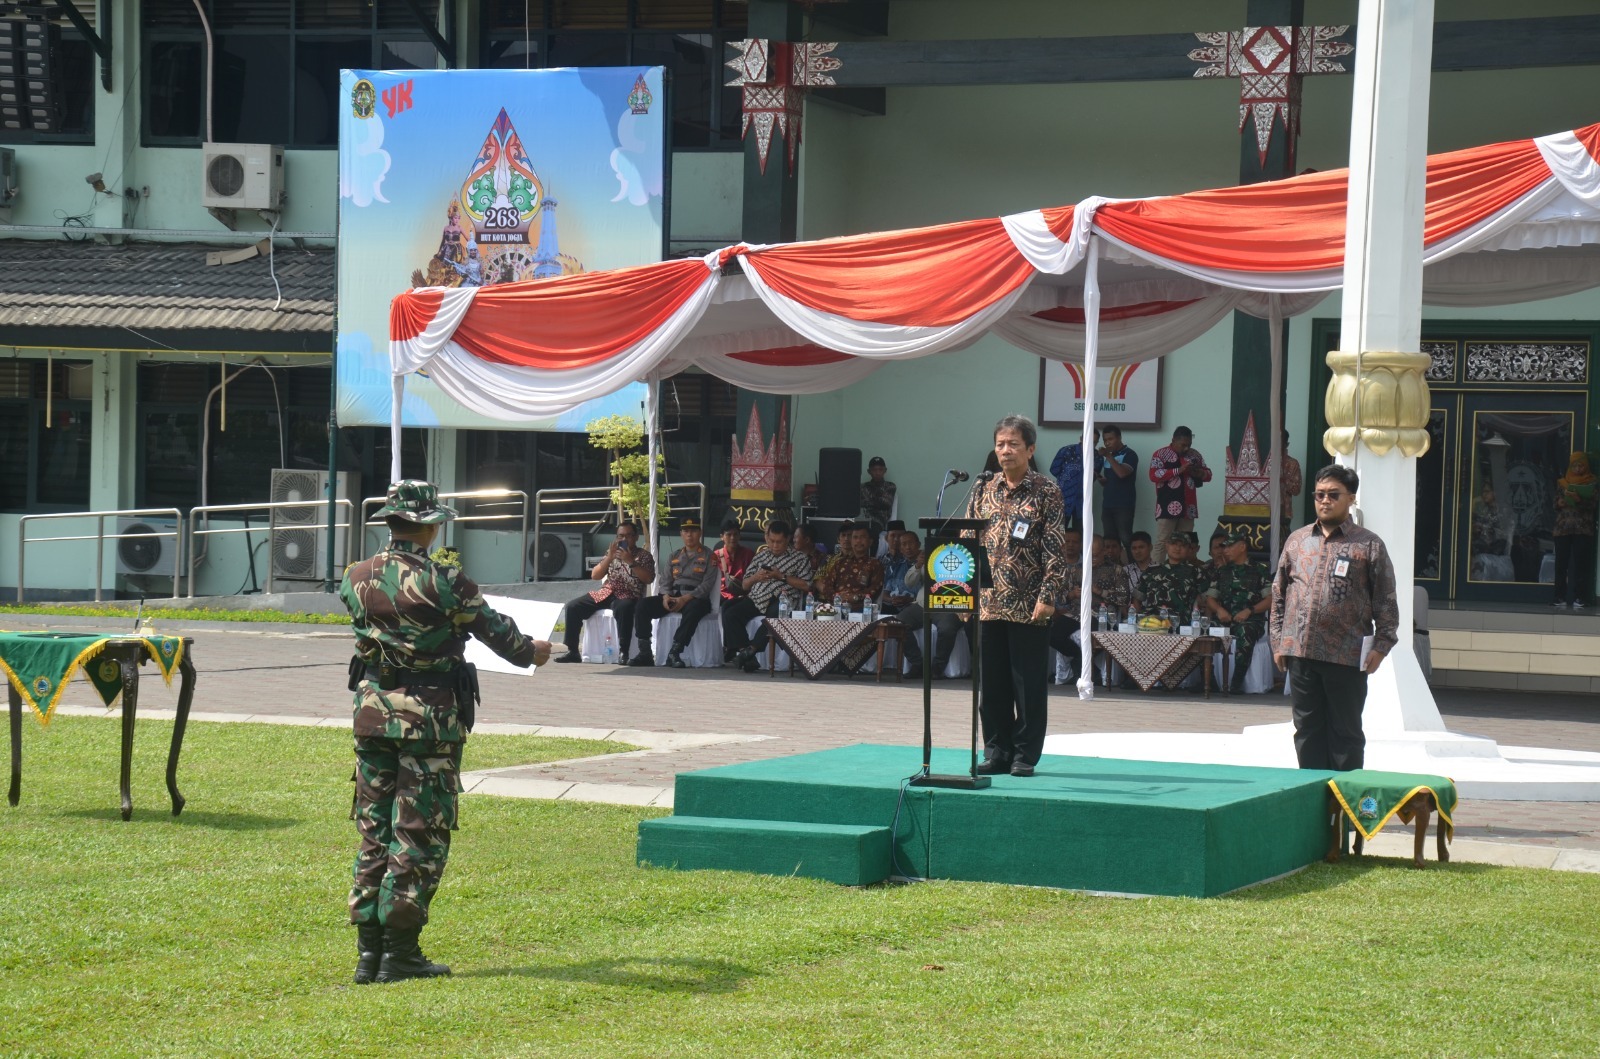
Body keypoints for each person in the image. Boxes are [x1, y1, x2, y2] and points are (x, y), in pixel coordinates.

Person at [340, 479, 552, 984]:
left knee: (374, 829)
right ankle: (401, 952)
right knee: (418, 832)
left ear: (390, 523)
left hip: (372, 714)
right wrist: (535, 651)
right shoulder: (445, 582)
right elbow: (503, 638)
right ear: (433, 526)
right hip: (429, 721)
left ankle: (369, 954)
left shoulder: (356, 576)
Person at [1270, 464, 1400, 772]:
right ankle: (1312, 799)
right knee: (1307, 731)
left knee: (1346, 734)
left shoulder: (1368, 544)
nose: (1324, 501)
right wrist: (1278, 641)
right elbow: (1279, 595)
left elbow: (1385, 599)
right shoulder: (1298, 541)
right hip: (1300, 652)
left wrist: (1382, 646)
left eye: (1333, 495)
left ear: (1351, 498)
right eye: (1319, 495)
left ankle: (1345, 806)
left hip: (1346, 654)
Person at [965, 414, 1068, 778]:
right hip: (988, 603)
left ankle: (1024, 754)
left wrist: (1049, 595)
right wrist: (962, 591)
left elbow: (1055, 549)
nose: (1005, 451)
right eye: (1000, 444)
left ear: (1030, 448)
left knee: (1026, 683)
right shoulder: (982, 488)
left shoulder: (1047, 490)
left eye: (1012, 444)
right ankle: (996, 750)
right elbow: (968, 542)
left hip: (1029, 603)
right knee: (991, 685)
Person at [722, 520, 815, 673]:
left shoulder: (800, 558)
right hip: (757, 598)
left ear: (787, 539)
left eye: (779, 542)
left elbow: (807, 585)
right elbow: (744, 585)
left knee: (775, 613)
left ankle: (751, 649)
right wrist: (755, 578)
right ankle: (747, 654)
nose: (775, 545)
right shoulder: (761, 556)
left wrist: (782, 576)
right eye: (771, 541)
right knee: (731, 613)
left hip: (783, 600)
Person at [555, 521, 654, 664]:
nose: (624, 540)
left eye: (628, 536)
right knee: (572, 606)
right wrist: (609, 558)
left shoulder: (644, 556)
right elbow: (595, 575)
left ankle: (623, 652)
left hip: (629, 594)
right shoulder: (612, 553)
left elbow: (648, 578)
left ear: (636, 537)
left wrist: (631, 561)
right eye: (620, 536)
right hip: (607, 592)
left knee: (624, 608)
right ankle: (573, 651)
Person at [630, 516, 716, 668]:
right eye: (686, 531)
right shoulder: (674, 556)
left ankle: (675, 652)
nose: (690, 535)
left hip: (695, 598)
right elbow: (665, 581)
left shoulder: (710, 556)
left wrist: (685, 599)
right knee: (643, 605)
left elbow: (707, 585)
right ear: (681, 534)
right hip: (672, 596)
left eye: (694, 531)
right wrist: (665, 597)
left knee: (695, 609)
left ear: (700, 533)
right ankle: (645, 653)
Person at [1205, 530, 1271, 693]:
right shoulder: (1222, 571)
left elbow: (1270, 600)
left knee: (1245, 633)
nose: (1225, 551)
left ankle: (1235, 682)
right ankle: (1209, 680)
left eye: (1229, 547)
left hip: (1251, 620)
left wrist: (1250, 611)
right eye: (1224, 547)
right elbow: (1210, 598)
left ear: (1242, 547)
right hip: (1225, 619)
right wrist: (1219, 610)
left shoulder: (1259, 570)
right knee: (1203, 634)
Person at [1149, 426, 1212, 564]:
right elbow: (1154, 475)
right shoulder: (1160, 454)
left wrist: (1199, 473)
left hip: (1188, 508)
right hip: (1166, 506)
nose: (1186, 449)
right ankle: (1153, 576)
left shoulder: (1194, 455)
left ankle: (1182, 576)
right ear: (1173, 440)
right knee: (1162, 542)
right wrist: (1178, 470)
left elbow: (1208, 474)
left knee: (1184, 544)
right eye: (1183, 445)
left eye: (1188, 445)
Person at [1552, 452, 1598, 609]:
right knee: (1560, 564)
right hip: (1562, 528)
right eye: (1575, 465)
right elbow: (1554, 504)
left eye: (1581, 465)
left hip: (1582, 529)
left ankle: (1580, 597)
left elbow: (1592, 506)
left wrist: (1579, 500)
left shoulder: (1591, 482)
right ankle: (1559, 597)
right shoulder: (1562, 483)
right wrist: (1560, 502)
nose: (1578, 468)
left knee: (1581, 564)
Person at [1134, 530, 1208, 619]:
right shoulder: (1151, 570)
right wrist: (1138, 620)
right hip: (1152, 625)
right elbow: (1136, 599)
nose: (1177, 548)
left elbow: (1208, 601)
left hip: (1182, 626)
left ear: (1189, 549)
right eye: (1174, 544)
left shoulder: (1196, 571)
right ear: (1166, 546)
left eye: (1183, 545)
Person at [1094, 425, 1139, 562]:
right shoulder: (1109, 457)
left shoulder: (1130, 454)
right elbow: (1112, 479)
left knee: (1126, 538)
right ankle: (1112, 569)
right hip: (1107, 503)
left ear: (1119, 438)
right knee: (1109, 540)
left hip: (1124, 504)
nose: (1107, 443)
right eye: (1105, 440)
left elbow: (1122, 473)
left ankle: (1133, 570)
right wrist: (1103, 480)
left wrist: (1107, 456)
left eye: (1111, 439)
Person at [818, 523, 885, 611]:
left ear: (870, 541)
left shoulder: (875, 564)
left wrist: (855, 597)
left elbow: (875, 588)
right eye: (855, 537)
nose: (858, 541)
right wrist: (837, 597)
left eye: (862, 537)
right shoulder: (840, 563)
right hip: (837, 608)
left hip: (861, 610)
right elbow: (827, 586)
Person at [1048, 527, 1085, 678]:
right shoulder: (1054, 565)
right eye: (1067, 542)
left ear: (1081, 544)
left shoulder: (1088, 565)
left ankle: (1079, 661)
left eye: (1075, 542)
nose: (1070, 545)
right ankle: (1078, 657)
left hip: (1080, 614)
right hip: (1054, 612)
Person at [1050, 431, 1089, 531]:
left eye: (1094, 442)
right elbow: (1054, 469)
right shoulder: (1066, 451)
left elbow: (1094, 477)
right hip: (1063, 497)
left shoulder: (1096, 456)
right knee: (1059, 531)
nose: (1090, 443)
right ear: (1081, 438)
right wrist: (1068, 480)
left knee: (1080, 533)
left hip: (1082, 501)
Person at [861, 456, 898, 534]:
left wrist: (867, 501)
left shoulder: (890, 486)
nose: (877, 473)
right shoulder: (863, 487)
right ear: (869, 471)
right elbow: (858, 503)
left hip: (879, 521)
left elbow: (886, 503)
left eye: (880, 470)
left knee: (871, 531)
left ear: (885, 471)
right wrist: (878, 500)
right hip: (863, 520)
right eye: (874, 470)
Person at [1278, 430, 1303, 539]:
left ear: (1286, 444)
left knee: (1282, 542)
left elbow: (1296, 490)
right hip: (1262, 511)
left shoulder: (1292, 463)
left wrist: (1282, 478)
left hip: (1283, 513)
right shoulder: (1264, 462)